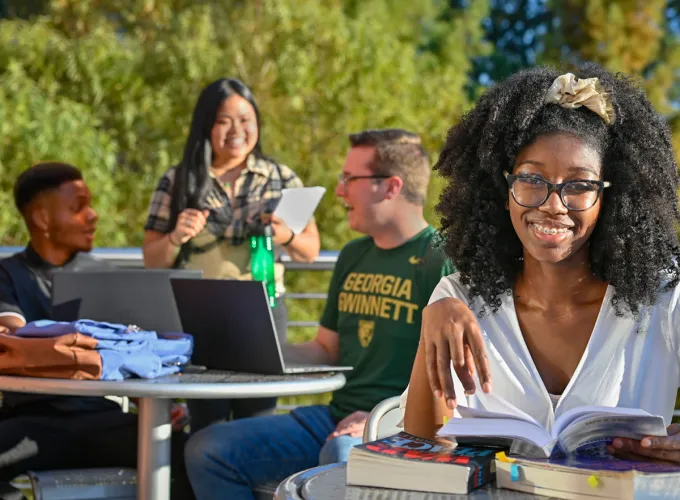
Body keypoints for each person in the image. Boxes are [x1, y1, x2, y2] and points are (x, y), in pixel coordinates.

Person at [403, 64, 680, 462]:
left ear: (609, 199)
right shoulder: (459, 300)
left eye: (580, 185)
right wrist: (430, 328)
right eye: (531, 179)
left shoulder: (663, 299)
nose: (553, 205)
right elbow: (420, 453)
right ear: (503, 190)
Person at [183, 128, 455, 499]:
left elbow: (452, 379)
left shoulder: (439, 259)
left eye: (349, 179)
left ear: (391, 187)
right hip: (333, 417)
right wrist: (241, 351)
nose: (339, 190)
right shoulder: (353, 255)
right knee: (207, 448)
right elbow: (326, 350)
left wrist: (387, 418)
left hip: (398, 425)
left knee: (345, 457)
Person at [0, 162, 194, 499]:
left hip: (102, 418)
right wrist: (100, 342)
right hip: (33, 421)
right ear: (42, 220)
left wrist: (158, 400)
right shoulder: (7, 276)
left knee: (191, 457)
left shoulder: (105, 276)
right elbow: (16, 343)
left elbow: (133, 356)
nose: (93, 215)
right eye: (78, 208)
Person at [142, 78, 320, 430]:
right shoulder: (179, 180)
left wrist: (284, 233)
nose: (237, 130)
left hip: (265, 314)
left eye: (246, 119)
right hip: (199, 319)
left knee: (258, 421)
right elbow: (152, 259)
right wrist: (177, 236)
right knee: (206, 421)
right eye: (224, 120)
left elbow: (310, 250)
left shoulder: (281, 178)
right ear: (206, 125)